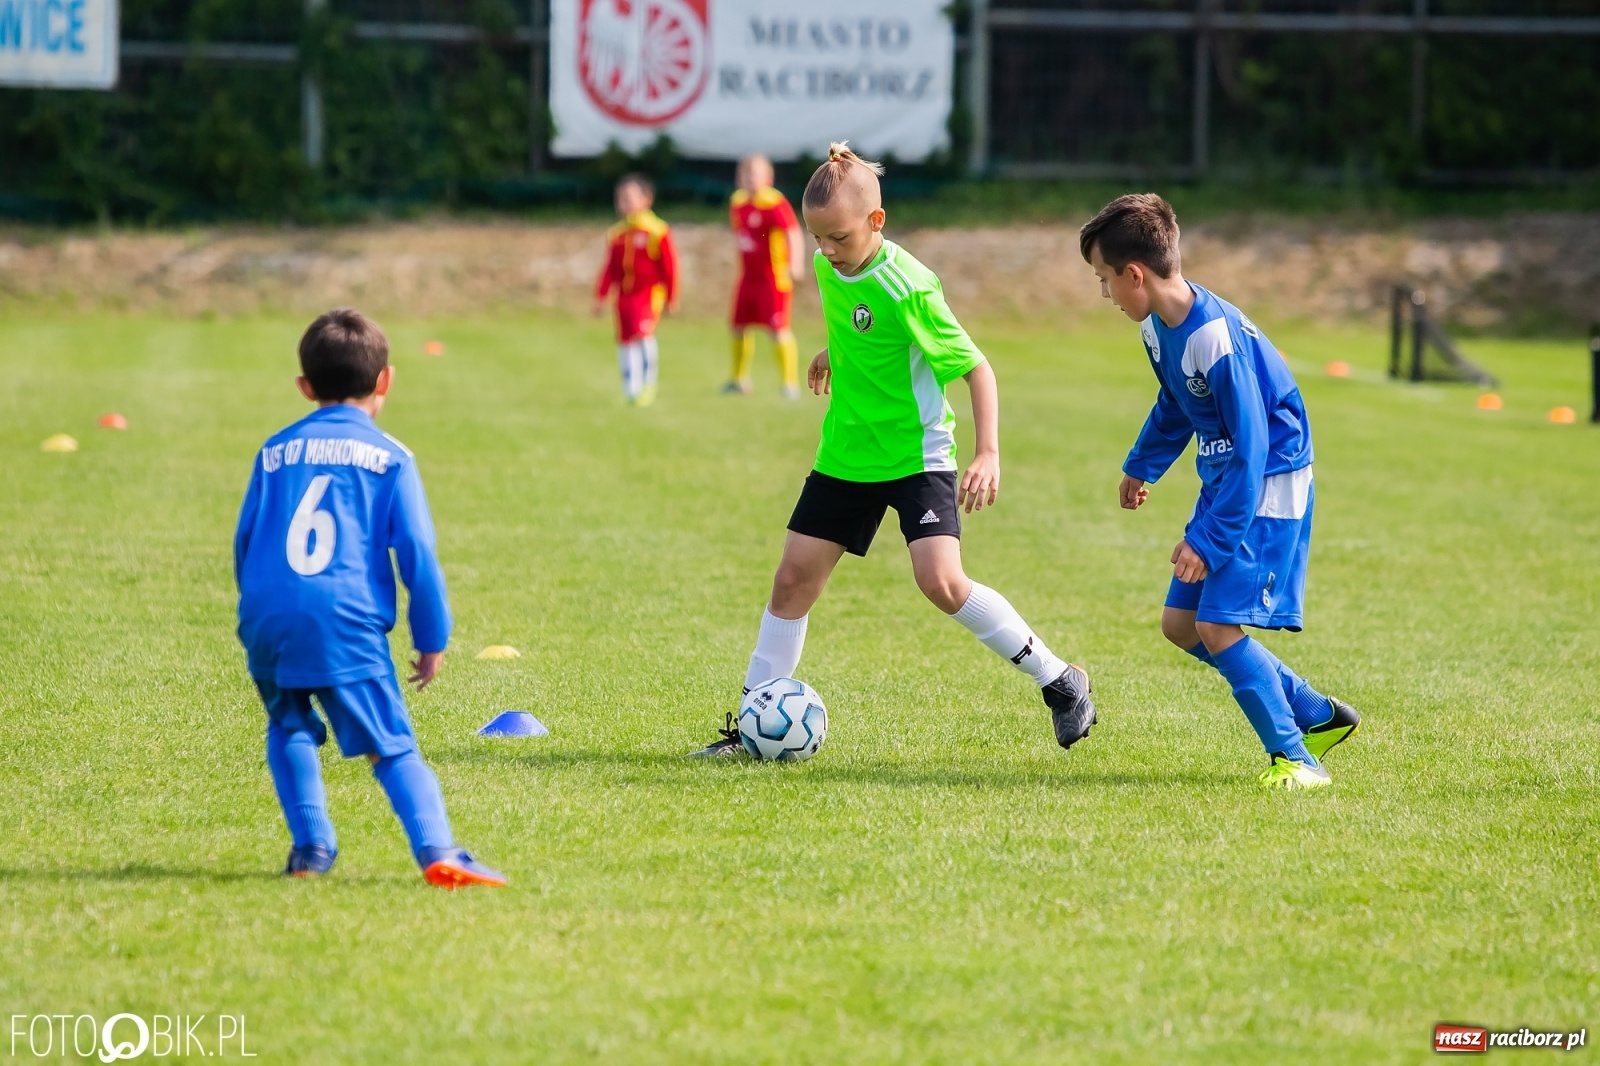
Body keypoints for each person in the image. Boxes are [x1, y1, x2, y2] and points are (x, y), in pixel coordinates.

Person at [689, 143, 1096, 758]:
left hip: (916, 454)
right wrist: (837, 353)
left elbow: (976, 369)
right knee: (791, 580)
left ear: (876, 223)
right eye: (817, 238)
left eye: (839, 238)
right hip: (848, 453)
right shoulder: (832, 265)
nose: (825, 252)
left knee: (941, 581)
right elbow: (856, 323)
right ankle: (751, 728)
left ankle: (1060, 680)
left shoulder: (909, 285)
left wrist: (988, 453)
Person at [1080, 193, 1360, 790]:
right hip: (1231, 478)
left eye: (1105, 280)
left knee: (1217, 627)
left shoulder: (1214, 337)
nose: (1105, 294)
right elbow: (1178, 402)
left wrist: (1207, 540)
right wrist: (1142, 465)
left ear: (1135, 274)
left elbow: (1255, 445)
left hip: (1268, 483)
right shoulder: (1159, 328)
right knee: (1180, 624)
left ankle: (1296, 759)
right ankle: (1314, 713)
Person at [234, 308, 506, 885]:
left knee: (288, 727)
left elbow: (245, 540)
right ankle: (439, 851)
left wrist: (258, 612)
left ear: (305, 388)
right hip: (344, 622)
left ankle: (310, 850)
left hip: (268, 618)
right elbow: (418, 556)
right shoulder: (391, 457)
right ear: (385, 381)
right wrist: (432, 639)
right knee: (393, 747)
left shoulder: (273, 451)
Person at [594, 173, 679, 406]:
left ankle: (649, 383)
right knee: (625, 340)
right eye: (621, 198)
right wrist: (600, 295)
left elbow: (669, 267)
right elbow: (610, 269)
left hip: (648, 294)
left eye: (630, 197)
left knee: (643, 335)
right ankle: (630, 387)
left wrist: (672, 295)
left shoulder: (657, 231)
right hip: (623, 296)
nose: (625, 202)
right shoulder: (617, 234)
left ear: (646, 199)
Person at [724, 154, 804, 398]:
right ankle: (738, 380)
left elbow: (793, 233)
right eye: (745, 174)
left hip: (773, 278)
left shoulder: (775, 203)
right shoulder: (737, 202)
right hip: (748, 277)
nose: (749, 179)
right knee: (738, 327)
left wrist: (795, 263)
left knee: (778, 329)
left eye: (755, 174)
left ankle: (790, 383)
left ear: (768, 177)